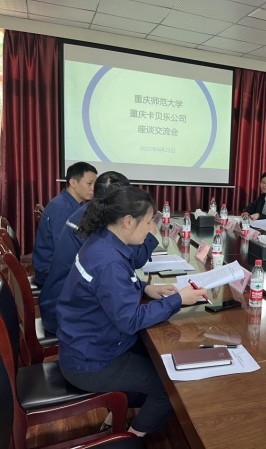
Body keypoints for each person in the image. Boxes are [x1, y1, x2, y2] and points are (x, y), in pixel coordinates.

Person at [56, 186, 207, 437]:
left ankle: (113, 419)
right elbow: (130, 320)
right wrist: (179, 299)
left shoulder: (104, 241)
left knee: (161, 358)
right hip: (92, 360)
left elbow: (114, 284)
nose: (151, 229)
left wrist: (145, 287)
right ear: (128, 221)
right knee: (169, 388)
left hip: (86, 344)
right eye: (148, 222)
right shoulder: (109, 261)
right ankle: (130, 438)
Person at [38, 171, 158, 335]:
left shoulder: (91, 217)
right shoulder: (99, 231)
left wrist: (143, 287)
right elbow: (133, 261)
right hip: (69, 317)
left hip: (69, 303)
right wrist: (150, 234)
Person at [33, 162, 98, 287]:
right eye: (89, 183)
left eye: (95, 184)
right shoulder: (62, 208)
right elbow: (66, 251)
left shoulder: (70, 203)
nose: (93, 188)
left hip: (55, 267)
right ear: (73, 182)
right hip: (51, 273)